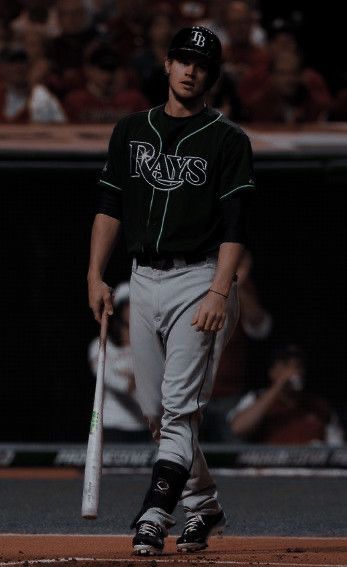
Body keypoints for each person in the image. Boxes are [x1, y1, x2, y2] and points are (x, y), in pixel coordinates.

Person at [87, 26, 255, 555]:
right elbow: (110, 206)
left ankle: (154, 514)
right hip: (142, 279)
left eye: (201, 64)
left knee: (179, 410)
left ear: (212, 74)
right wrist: (95, 274)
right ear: (167, 64)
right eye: (183, 60)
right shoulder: (131, 130)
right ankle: (204, 506)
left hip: (199, 279)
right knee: (160, 414)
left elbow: (236, 226)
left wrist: (220, 293)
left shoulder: (228, 140)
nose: (190, 70)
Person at [200, 249, 273, 442]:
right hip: (192, 389)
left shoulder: (242, 287)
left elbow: (260, 327)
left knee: (234, 456)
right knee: (185, 455)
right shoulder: (195, 280)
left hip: (229, 395)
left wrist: (236, 282)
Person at [228, 344, 345, 445]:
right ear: (272, 371)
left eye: (298, 366)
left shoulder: (319, 405)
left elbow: (337, 448)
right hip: (273, 468)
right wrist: (279, 384)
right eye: (286, 365)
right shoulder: (257, 397)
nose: (293, 371)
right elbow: (238, 428)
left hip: (312, 468)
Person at [87, 282, 150, 442]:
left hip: (144, 427)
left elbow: (156, 383)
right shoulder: (100, 345)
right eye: (129, 304)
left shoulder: (150, 346)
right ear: (120, 308)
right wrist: (135, 384)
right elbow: (111, 380)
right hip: (113, 426)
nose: (133, 309)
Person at [0, 43, 66, 123]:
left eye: (22, 62)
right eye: (13, 62)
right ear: (1, 68)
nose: (18, 67)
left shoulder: (43, 97)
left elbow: (61, 130)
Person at [64, 44, 148, 123]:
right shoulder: (75, 101)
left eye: (112, 68)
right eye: (103, 68)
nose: (107, 75)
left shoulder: (135, 100)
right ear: (89, 70)